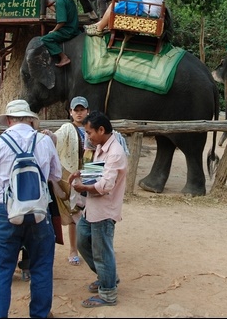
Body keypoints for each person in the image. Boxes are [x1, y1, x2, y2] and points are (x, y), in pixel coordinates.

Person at [0, 99, 62, 318]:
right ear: (30, 119)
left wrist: (1, 190)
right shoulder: (44, 141)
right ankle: (40, 315)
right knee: (41, 268)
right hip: (40, 213)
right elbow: (56, 176)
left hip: (6, 212)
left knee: (0, 272)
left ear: (9, 119)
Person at [69, 110, 128, 308]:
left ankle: (108, 293)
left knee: (102, 252)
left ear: (101, 130)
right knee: (83, 239)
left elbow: (105, 185)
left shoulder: (116, 153)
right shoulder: (102, 147)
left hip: (104, 211)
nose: (88, 136)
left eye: (89, 132)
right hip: (92, 209)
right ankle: (107, 276)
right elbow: (98, 171)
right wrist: (82, 173)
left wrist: (83, 187)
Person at [53, 96, 93, 267]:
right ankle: (73, 249)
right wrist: (48, 137)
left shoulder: (92, 128)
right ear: (70, 112)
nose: (79, 113)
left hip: (91, 174)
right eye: (75, 110)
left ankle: (90, 247)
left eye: (81, 110)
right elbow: (57, 138)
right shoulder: (67, 128)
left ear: (87, 111)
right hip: (74, 176)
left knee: (93, 212)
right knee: (75, 213)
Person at [41, 0, 81, 67]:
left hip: (67, 31)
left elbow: (62, 21)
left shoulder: (60, 1)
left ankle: (63, 57)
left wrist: (53, 30)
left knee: (45, 39)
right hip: (75, 28)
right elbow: (59, 10)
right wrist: (49, 5)